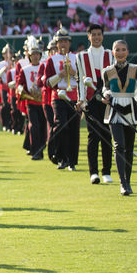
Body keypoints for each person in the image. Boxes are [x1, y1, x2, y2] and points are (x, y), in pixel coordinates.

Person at [102, 39, 137, 196]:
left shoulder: (135, 68)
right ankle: (122, 183)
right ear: (113, 52)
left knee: (129, 149)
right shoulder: (107, 70)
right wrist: (106, 96)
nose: (120, 52)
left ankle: (128, 180)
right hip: (113, 111)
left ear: (127, 52)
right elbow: (105, 88)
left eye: (123, 49)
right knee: (119, 146)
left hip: (131, 110)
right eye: (117, 50)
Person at [77, 25, 113, 185]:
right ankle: (94, 172)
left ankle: (107, 171)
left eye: (99, 34)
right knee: (93, 136)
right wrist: (81, 99)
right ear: (88, 36)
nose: (97, 37)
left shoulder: (110, 55)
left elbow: (114, 79)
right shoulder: (81, 56)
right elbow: (79, 81)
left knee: (107, 134)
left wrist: (111, 96)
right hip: (90, 100)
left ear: (103, 36)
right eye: (94, 34)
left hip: (107, 100)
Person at [43, 27, 80, 171]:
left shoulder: (76, 58)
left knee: (74, 129)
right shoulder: (51, 60)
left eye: (65, 41)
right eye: (60, 41)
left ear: (69, 43)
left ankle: (72, 161)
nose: (63, 44)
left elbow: (83, 80)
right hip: (58, 96)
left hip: (74, 96)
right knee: (61, 126)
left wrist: (73, 73)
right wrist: (61, 75)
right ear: (56, 44)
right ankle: (62, 157)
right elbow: (47, 83)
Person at [15, 36, 46, 160]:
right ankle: (35, 151)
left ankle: (41, 148)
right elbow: (19, 86)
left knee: (43, 127)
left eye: (37, 54)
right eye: (33, 54)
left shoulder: (43, 67)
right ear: (29, 56)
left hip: (43, 102)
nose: (35, 56)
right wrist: (26, 93)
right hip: (31, 102)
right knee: (34, 126)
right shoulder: (24, 69)